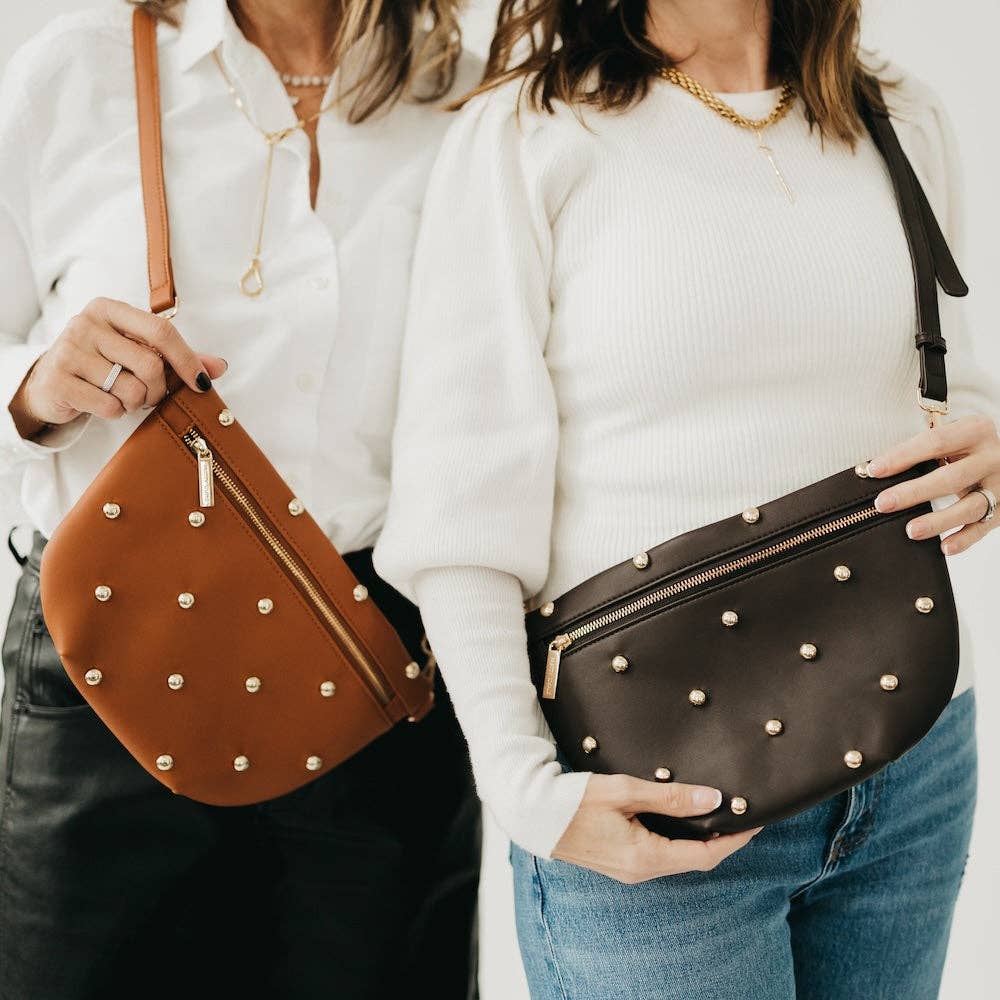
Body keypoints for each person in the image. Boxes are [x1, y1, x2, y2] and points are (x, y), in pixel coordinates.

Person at [374, 0, 1000, 996]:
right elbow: (458, 503)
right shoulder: (532, 133)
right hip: (650, 787)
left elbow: (945, 382)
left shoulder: (897, 114)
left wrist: (984, 453)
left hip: (912, 756)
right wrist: (527, 791)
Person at [0, 1, 482, 997]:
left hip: (375, 675)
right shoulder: (72, 75)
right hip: (107, 666)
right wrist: (38, 384)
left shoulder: (472, 101)